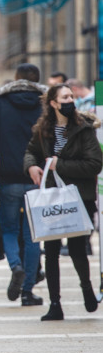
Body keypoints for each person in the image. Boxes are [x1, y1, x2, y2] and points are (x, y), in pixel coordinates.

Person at [24, 84, 102, 320]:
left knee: (78, 248)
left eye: (71, 96)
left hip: (79, 198)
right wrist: (31, 165)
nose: (70, 100)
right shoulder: (42, 129)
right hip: (52, 199)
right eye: (65, 97)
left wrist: (60, 165)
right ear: (53, 104)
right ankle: (55, 304)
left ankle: (87, 289)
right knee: (51, 251)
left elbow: (94, 164)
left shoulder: (84, 128)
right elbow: (31, 151)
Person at [0, 63, 47, 306]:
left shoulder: (1, 103)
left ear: (15, 79)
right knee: (32, 235)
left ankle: (15, 266)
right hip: (38, 177)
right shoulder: (45, 103)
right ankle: (27, 291)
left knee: (8, 229)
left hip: (8, 176)